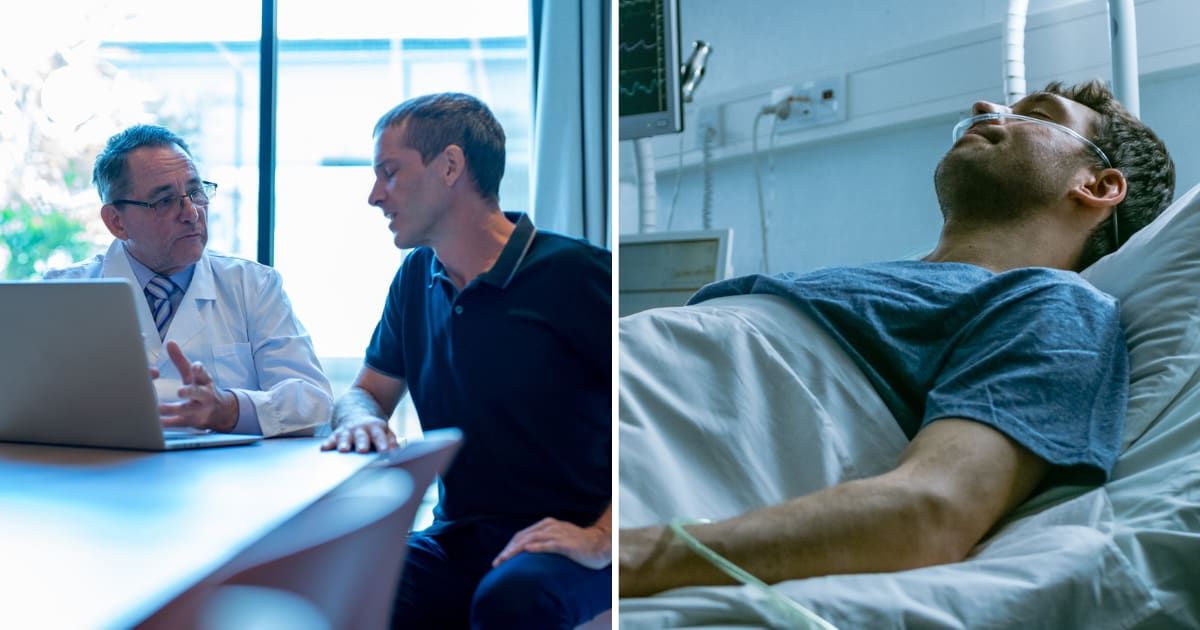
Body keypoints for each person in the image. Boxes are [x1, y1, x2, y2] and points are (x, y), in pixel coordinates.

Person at [619, 80, 1176, 597]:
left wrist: (633, 556)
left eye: (1038, 115)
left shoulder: (1054, 306)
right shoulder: (855, 282)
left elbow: (931, 512)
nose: (985, 109)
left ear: (1098, 185)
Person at [320, 93, 611, 628]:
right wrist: (360, 420)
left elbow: (651, 420)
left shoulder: (578, 273)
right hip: (457, 534)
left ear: (450, 166)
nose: (374, 196)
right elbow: (366, 392)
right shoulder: (416, 278)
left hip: (566, 538)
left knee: (511, 601)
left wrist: (602, 538)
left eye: (389, 173)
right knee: (350, 582)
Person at [45, 124, 332, 437]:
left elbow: (315, 403)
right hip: (103, 464)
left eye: (196, 192)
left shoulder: (253, 285)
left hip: (227, 467)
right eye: (165, 200)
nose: (192, 213)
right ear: (116, 222)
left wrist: (229, 409)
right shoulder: (63, 293)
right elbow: (27, 404)